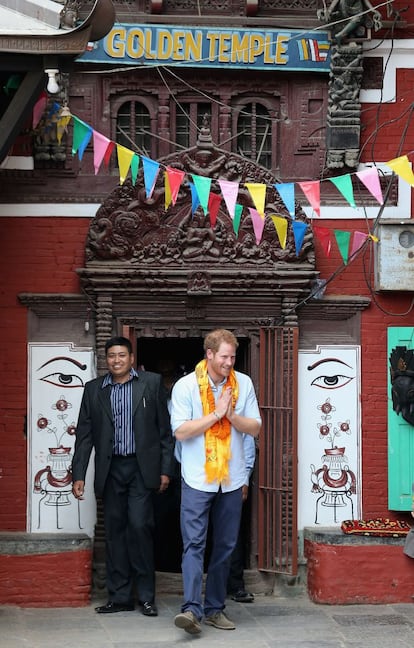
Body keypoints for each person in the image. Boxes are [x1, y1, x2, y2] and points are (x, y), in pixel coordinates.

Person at [71, 336, 174, 617]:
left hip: (141, 469)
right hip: (111, 469)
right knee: (115, 533)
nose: (116, 360)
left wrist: (166, 469)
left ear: (131, 359)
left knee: (140, 528)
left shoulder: (150, 383)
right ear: (107, 360)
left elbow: (165, 431)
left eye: (121, 355)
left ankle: (146, 597)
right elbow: (84, 435)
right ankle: (119, 597)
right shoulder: (94, 390)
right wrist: (77, 474)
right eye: (111, 356)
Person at [170, 328, 261, 634]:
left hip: (232, 480)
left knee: (225, 546)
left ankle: (215, 608)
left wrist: (231, 415)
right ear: (209, 354)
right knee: (194, 544)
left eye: (232, 356)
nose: (229, 362)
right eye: (224, 356)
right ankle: (191, 610)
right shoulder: (186, 387)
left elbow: (255, 428)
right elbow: (181, 432)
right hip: (197, 478)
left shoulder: (243, 384)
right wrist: (215, 415)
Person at [227, 433, 256, 603]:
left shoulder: (236, 407)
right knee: (196, 535)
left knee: (231, 533)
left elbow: (247, 441)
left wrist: (244, 478)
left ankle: (235, 585)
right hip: (197, 478)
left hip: (231, 476)